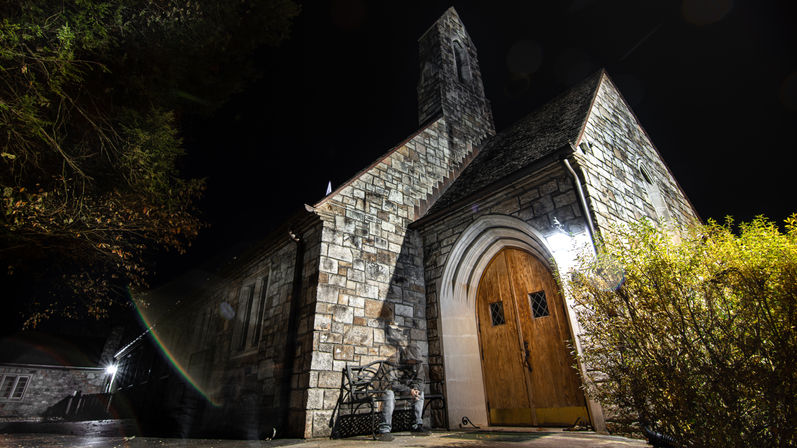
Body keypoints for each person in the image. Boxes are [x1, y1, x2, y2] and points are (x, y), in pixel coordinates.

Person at [376, 344, 430, 441]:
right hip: (393, 389)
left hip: (408, 390)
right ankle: (384, 431)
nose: (414, 362)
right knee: (389, 394)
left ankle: (417, 425)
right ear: (407, 357)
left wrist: (416, 389)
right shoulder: (394, 361)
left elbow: (421, 380)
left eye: (416, 361)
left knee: (420, 393)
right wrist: (410, 391)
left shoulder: (417, 363)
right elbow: (392, 383)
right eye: (412, 360)